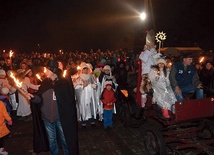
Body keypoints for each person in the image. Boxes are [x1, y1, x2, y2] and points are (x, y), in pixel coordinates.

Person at [31, 60, 79, 155]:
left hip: (60, 118)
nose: (45, 72)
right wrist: (34, 98)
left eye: (47, 70)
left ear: (53, 71)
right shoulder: (45, 83)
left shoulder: (63, 83)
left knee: (65, 140)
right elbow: (39, 98)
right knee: (52, 141)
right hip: (47, 118)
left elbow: (68, 102)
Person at [73, 62, 97, 129]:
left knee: (91, 107)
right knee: (83, 109)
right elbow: (75, 86)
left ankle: (92, 122)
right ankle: (84, 123)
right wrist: (82, 86)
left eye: (86, 69)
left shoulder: (91, 77)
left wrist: (92, 85)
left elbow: (95, 84)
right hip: (82, 97)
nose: (85, 70)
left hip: (90, 96)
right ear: (82, 70)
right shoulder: (78, 78)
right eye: (84, 69)